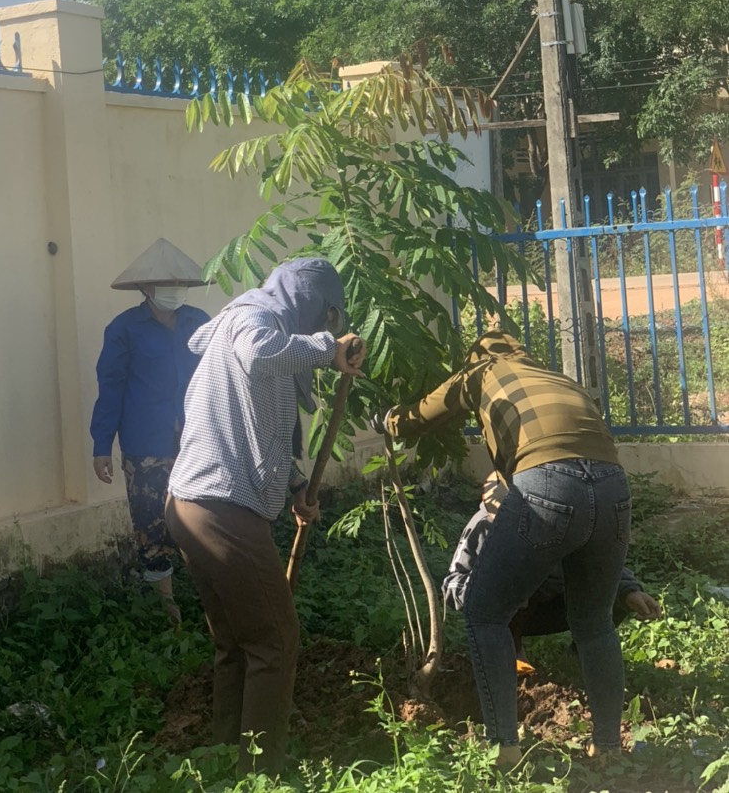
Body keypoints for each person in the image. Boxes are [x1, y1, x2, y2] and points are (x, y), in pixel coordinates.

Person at [383, 330, 632, 769]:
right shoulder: (557, 378)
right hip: (614, 485)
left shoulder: (480, 372)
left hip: (548, 481)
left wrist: (385, 421)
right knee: (594, 622)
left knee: (485, 613)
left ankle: (504, 748)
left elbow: (419, 416)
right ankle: (609, 746)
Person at [165, 258, 365, 777]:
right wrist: (327, 349)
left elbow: (256, 429)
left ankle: (225, 759)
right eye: (328, 318)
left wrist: (296, 486)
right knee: (276, 639)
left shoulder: (256, 330)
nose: (326, 328)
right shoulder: (254, 320)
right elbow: (259, 352)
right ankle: (262, 776)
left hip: (194, 503)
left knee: (236, 643)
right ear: (312, 305)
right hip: (221, 509)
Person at [89, 238, 210, 624]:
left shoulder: (200, 322)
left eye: (180, 283)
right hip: (145, 443)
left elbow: (217, 379)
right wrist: (102, 445)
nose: (174, 289)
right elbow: (111, 388)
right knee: (150, 520)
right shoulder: (124, 329)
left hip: (197, 440)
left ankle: (210, 595)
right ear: (146, 288)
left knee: (202, 516)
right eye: (165, 284)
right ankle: (164, 605)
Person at [444, 473, 660, 674]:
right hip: (505, 613)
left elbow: (597, 565)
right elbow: (452, 585)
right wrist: (493, 588)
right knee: (514, 584)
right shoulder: (483, 527)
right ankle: (512, 654)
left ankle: (580, 657)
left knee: (610, 594)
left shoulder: (563, 522)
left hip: (553, 605)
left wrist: (628, 591)